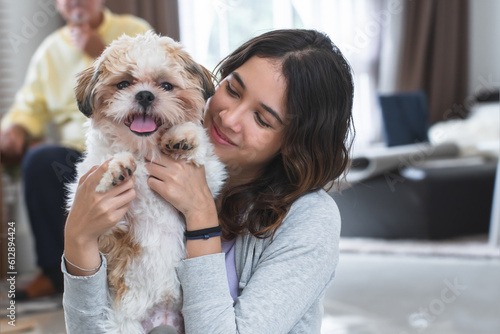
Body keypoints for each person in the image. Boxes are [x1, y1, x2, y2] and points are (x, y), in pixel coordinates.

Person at [62, 29, 354, 333]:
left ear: (294, 142)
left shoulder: (311, 218)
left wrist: (200, 215)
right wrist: (78, 241)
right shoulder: (144, 159)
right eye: (233, 90)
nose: (229, 118)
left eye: (262, 119)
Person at [0, 0, 152, 300]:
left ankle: (132, 272)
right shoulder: (50, 50)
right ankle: (54, 272)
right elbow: (29, 106)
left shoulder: (135, 30)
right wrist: (15, 129)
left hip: (133, 146)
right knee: (39, 161)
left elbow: (153, 85)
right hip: (76, 154)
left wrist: (102, 52)